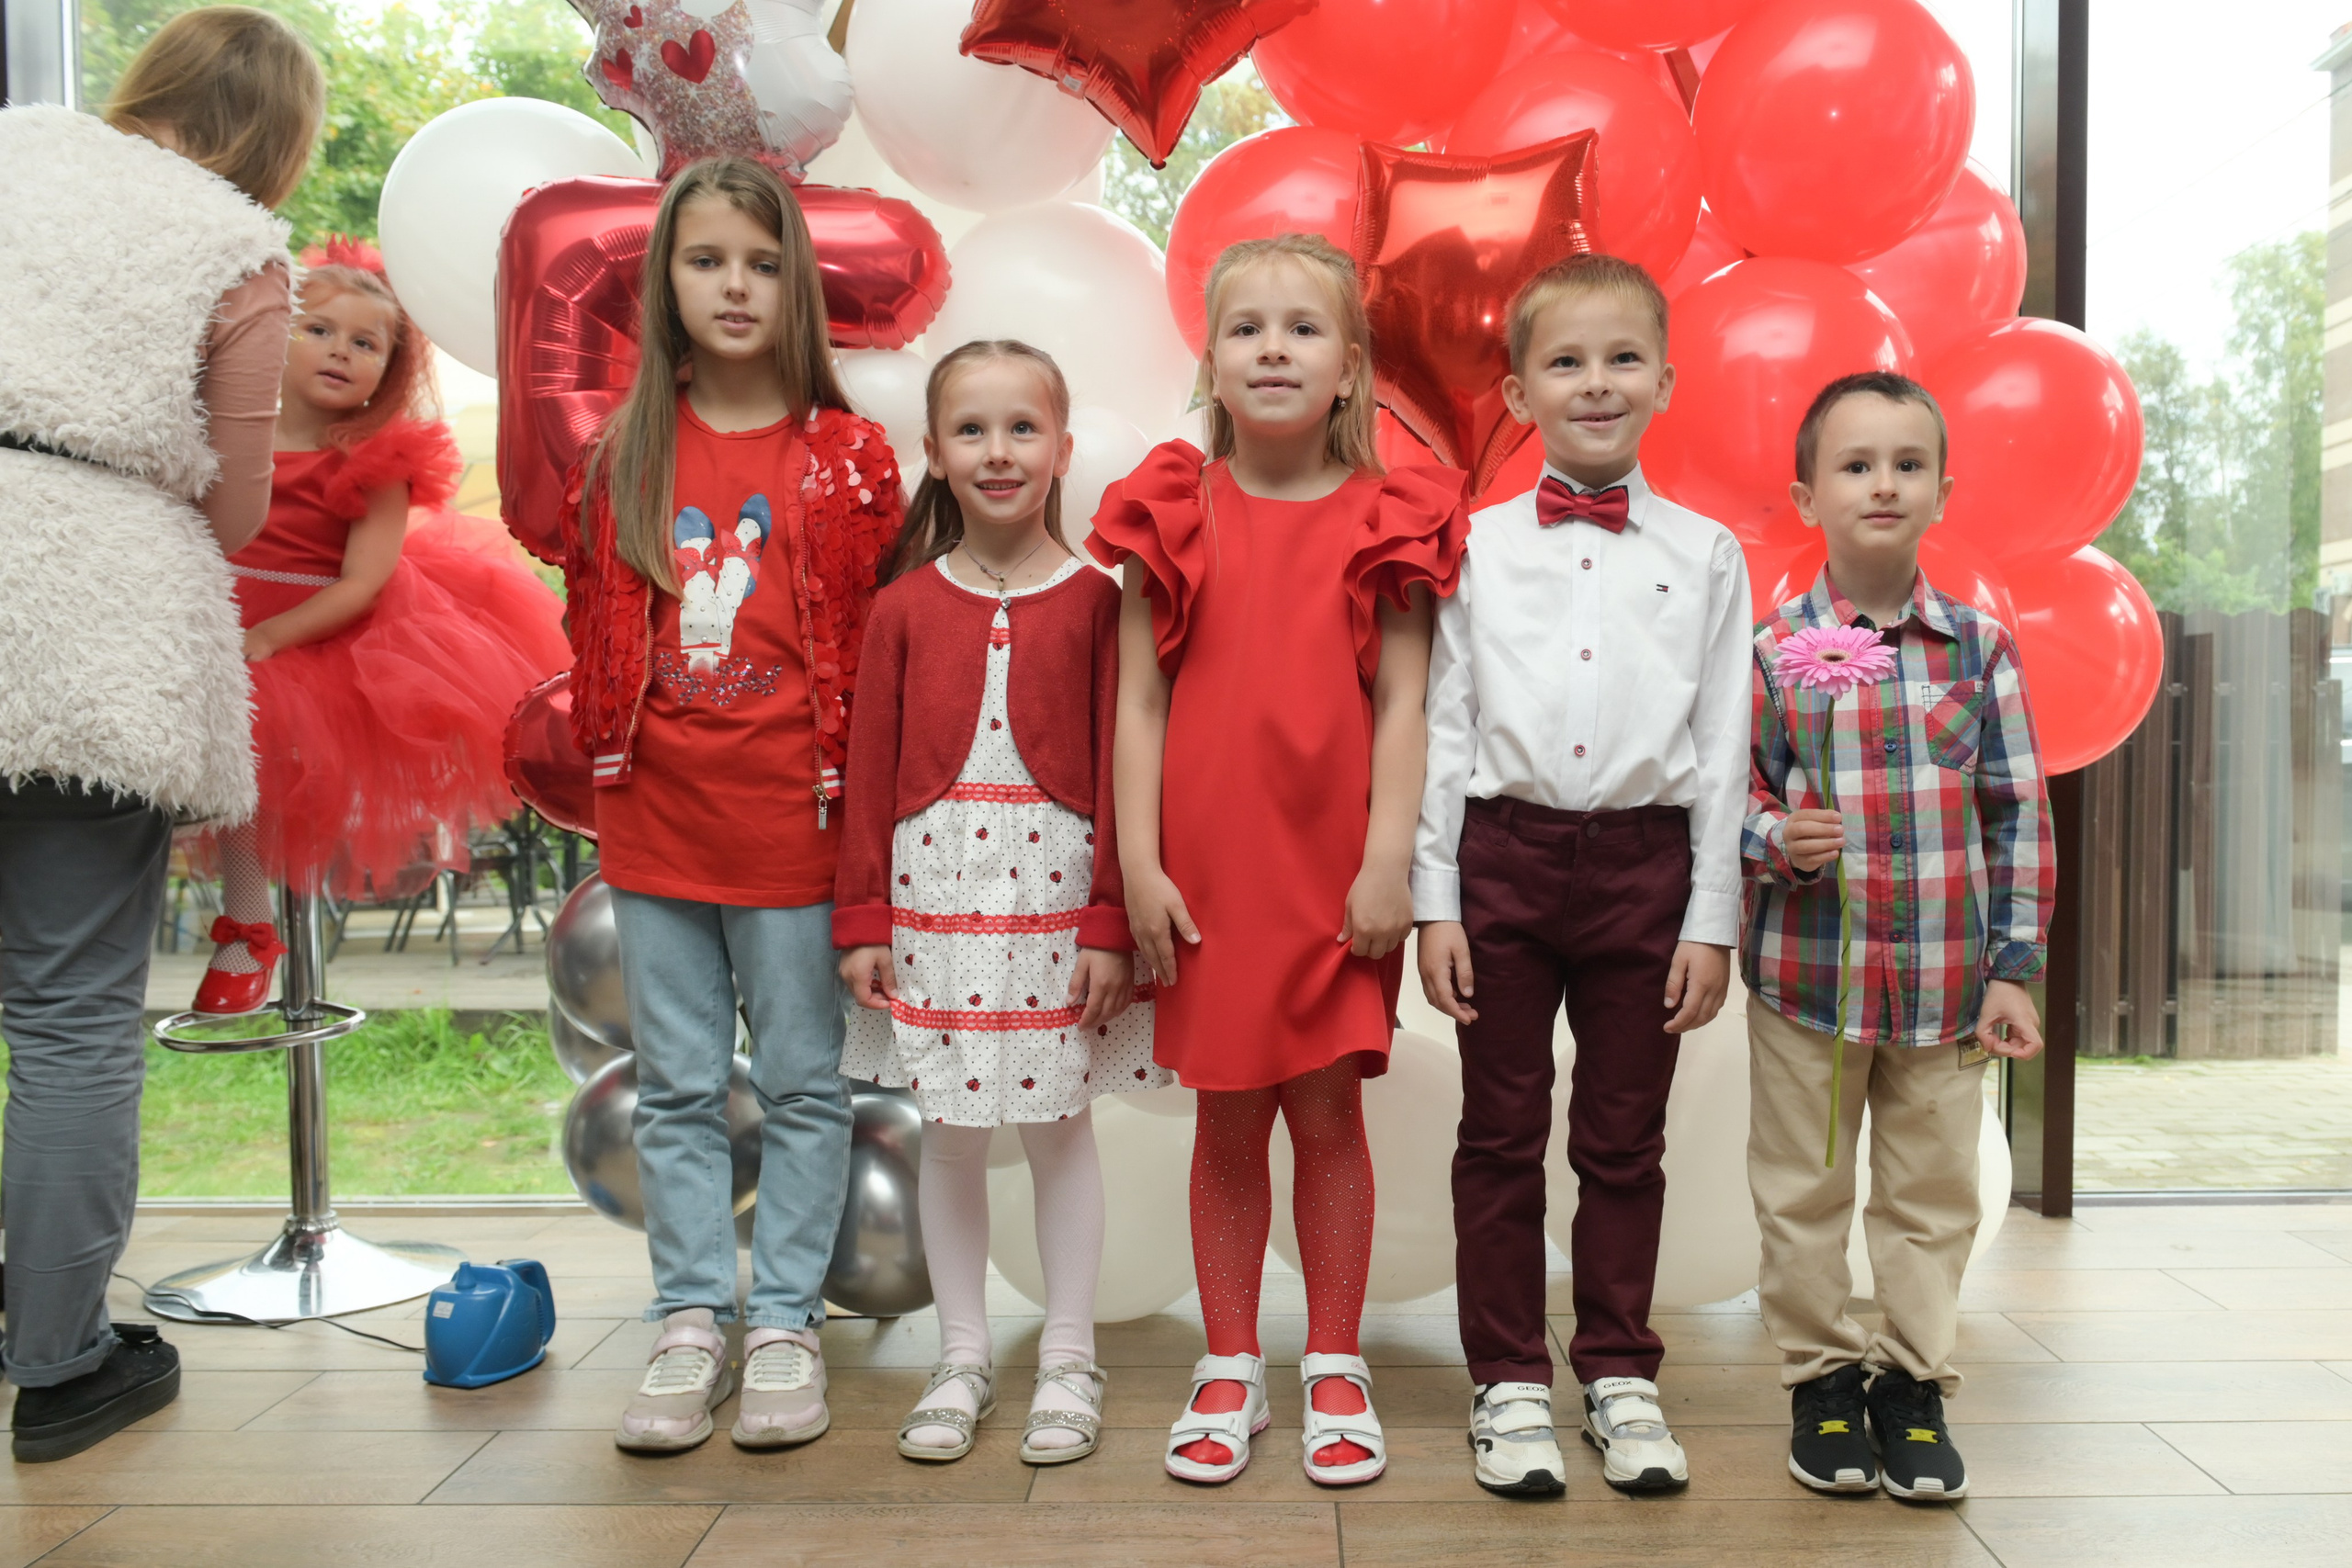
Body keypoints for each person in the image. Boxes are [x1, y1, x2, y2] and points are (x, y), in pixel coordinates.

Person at [1091, 232, 1469, 1487]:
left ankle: (1338, 1359)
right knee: (1226, 1119)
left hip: (1331, 871)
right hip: (1205, 871)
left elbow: (1406, 704)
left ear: (1350, 367)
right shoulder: (1172, 506)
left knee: (1329, 1114)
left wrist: (1387, 865)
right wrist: (1138, 865)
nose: (1272, 347)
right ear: (1209, 358)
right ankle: (1231, 1360)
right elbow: (1137, 703)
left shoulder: (1390, 516)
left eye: (1301, 328)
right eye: (1245, 327)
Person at [0, 6, 322, 1462]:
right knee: (70, 1014)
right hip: (86, 633)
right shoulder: (235, 250)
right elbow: (240, 509)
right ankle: (62, 1361)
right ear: (277, 141)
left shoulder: (12, 152)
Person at [560, 156, 902, 1453]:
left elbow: (875, 654)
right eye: (708, 261)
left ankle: (785, 1322)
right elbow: (596, 629)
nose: (737, 285)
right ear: (668, 283)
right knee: (681, 1087)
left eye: (762, 263)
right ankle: (692, 1312)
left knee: (806, 1086)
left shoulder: (849, 455)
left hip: (798, 826)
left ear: (797, 285)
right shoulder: (628, 448)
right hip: (658, 822)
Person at [1414, 254, 1750, 1496]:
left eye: (1621, 359)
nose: (1595, 382)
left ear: (1665, 378)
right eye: (1566, 360)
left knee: (1624, 1135)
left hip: (1646, 869)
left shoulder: (1709, 552)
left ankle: (1618, 1369)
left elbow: (1723, 744)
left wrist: (1710, 915)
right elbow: (1446, 726)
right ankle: (1507, 1379)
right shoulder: (1480, 544)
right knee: (1497, 1129)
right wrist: (1435, 896)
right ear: (1518, 387)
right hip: (1502, 856)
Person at [835, 338, 1160, 1468]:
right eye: (971, 431)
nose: (998, 450)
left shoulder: (1100, 604)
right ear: (934, 454)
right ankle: (962, 1354)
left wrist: (1113, 920)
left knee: (1061, 1130)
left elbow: (1131, 778)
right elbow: (869, 775)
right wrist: (863, 919)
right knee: (952, 1140)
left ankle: (1067, 1356)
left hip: (1054, 908)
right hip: (934, 910)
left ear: (1064, 448)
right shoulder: (903, 610)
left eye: (1022, 428)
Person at [1745, 371, 2050, 1503]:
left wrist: (2012, 969)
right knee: (1802, 1188)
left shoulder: (1980, 648)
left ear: (1941, 492)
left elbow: (2016, 812)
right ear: (1805, 493)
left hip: (1942, 990)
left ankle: (1912, 1385)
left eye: (1907, 464)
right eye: (1855, 464)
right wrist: (1779, 836)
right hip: (1804, 985)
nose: (1882, 482)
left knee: (1932, 1193)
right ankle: (1820, 1382)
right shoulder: (1773, 649)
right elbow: (1724, 794)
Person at [189, 240, 570, 1013]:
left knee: (252, 761)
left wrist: (268, 638)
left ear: (390, 367)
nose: (342, 351)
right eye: (319, 330)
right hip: (214, 615)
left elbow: (363, 583)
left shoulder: (375, 455)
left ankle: (249, 925)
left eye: (367, 343)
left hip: (322, 629)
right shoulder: (221, 430)